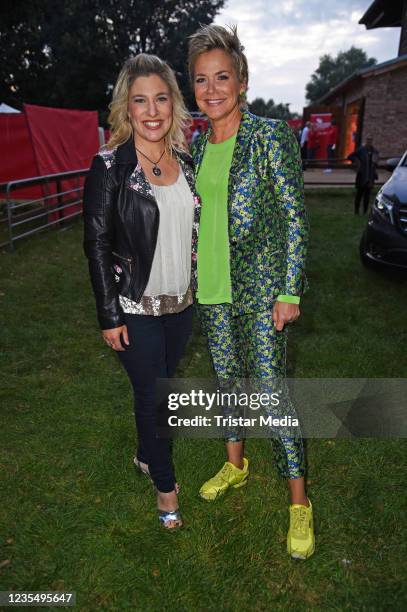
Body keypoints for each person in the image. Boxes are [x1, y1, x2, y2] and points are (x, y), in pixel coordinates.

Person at [188, 25, 314, 559]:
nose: (212, 89)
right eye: (201, 80)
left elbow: (293, 216)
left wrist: (290, 289)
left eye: (222, 77)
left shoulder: (269, 135)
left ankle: (300, 503)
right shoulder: (196, 145)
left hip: (263, 291)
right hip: (212, 289)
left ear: (241, 80)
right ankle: (236, 465)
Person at [83, 54, 201, 529]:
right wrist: (109, 314)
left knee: (154, 392)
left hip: (182, 308)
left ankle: (143, 454)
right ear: (125, 109)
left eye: (160, 99)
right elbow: (96, 243)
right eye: (140, 101)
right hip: (134, 307)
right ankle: (166, 489)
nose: (152, 111)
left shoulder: (189, 164)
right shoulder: (110, 166)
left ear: (173, 104)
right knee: (159, 399)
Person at [348, 136, 379, 215]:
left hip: (370, 176)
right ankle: (356, 211)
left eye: (370, 140)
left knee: (367, 196)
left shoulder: (375, 151)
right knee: (359, 194)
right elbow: (350, 156)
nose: (369, 142)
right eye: (368, 140)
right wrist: (357, 162)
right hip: (362, 175)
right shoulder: (361, 150)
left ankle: (365, 212)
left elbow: (375, 162)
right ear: (366, 141)